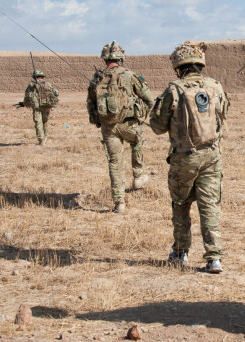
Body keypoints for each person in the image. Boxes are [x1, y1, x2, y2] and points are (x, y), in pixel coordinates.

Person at [149, 42, 229, 274]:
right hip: (212, 156)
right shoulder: (215, 86)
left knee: (181, 205)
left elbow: (157, 127)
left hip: (184, 158)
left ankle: (181, 253)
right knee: (209, 206)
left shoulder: (173, 90)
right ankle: (214, 258)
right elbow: (223, 115)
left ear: (179, 67)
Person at [87, 41, 154, 213]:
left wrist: (98, 122)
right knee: (138, 141)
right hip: (129, 125)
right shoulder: (129, 75)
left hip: (108, 128)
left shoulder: (97, 78)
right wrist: (142, 113)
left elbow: (90, 104)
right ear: (121, 58)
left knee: (115, 164)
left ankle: (119, 203)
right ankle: (138, 176)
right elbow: (149, 98)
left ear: (105, 59)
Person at [23, 70, 59, 145]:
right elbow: (56, 92)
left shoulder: (32, 85)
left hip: (37, 107)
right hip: (47, 105)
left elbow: (27, 95)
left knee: (38, 122)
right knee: (45, 122)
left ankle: (41, 140)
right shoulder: (48, 84)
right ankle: (45, 137)